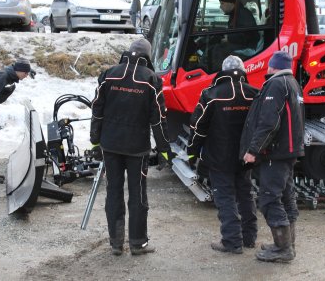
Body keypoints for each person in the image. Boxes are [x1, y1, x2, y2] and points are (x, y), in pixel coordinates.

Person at [90, 38, 172, 256]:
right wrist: (164, 149)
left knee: (113, 192)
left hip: (111, 145)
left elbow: (97, 109)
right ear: (147, 55)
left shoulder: (109, 74)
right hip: (137, 148)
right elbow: (159, 118)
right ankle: (138, 243)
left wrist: (95, 140)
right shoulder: (151, 79)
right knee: (138, 195)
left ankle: (116, 243)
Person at [187, 55, 259, 254]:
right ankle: (249, 237)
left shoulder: (212, 94)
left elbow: (198, 127)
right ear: (243, 71)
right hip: (246, 156)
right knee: (245, 194)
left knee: (225, 197)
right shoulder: (255, 93)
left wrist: (192, 152)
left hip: (219, 157)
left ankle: (232, 241)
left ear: (223, 71)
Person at [240, 51, 305, 263]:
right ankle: (287, 245)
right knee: (286, 197)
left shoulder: (276, 85)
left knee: (269, 198)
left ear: (272, 66)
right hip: (288, 151)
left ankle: (283, 248)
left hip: (274, 153)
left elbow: (270, 122)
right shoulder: (292, 83)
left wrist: (253, 150)